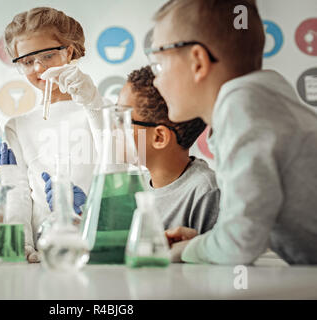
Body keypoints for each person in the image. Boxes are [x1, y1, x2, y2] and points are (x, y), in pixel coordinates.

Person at [149, 0, 317, 264]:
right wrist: (202, 243)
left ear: (197, 62)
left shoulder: (239, 107)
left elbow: (240, 244)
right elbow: (247, 232)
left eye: (158, 64)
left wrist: (183, 252)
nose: (156, 79)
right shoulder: (260, 102)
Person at [0, 7, 105, 262]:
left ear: (68, 52)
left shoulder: (101, 111)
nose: (38, 67)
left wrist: (94, 105)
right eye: (26, 61)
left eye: (47, 55)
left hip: (98, 246)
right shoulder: (18, 126)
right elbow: (19, 194)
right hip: (41, 256)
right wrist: (21, 244)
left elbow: (119, 165)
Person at [118, 66, 219, 242]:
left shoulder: (205, 191)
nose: (113, 128)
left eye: (122, 119)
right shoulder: (137, 185)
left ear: (159, 137)